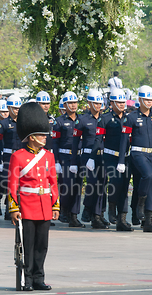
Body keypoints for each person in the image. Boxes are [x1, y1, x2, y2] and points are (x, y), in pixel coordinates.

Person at [8, 102, 59, 291]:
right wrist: (14, 208)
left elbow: (52, 182)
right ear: (30, 137)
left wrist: (55, 205)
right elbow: (13, 184)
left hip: (45, 206)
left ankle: (39, 278)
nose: (44, 138)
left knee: (41, 246)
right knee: (27, 247)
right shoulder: (18, 157)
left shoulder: (48, 157)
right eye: (40, 135)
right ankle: (27, 279)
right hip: (27, 208)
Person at [119, 85, 152, 233]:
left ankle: (148, 221)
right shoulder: (132, 117)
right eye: (146, 99)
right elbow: (124, 140)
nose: (148, 102)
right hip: (138, 153)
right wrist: (121, 160)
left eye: (150, 99)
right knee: (149, 175)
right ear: (140, 100)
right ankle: (140, 203)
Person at [89, 88, 133, 232]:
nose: (121, 104)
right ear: (112, 103)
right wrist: (92, 157)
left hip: (126, 157)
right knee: (116, 182)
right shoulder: (105, 118)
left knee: (125, 186)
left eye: (123, 102)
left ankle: (122, 219)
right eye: (118, 102)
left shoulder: (129, 117)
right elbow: (98, 139)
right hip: (110, 156)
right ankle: (112, 205)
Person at [71, 89, 108, 229]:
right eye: (95, 103)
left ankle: (98, 215)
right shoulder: (83, 120)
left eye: (99, 103)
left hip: (102, 155)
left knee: (102, 186)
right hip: (87, 156)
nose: (98, 106)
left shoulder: (104, 118)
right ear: (89, 103)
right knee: (93, 185)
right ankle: (89, 210)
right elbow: (75, 142)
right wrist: (74, 161)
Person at [52, 91, 83, 227]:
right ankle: (64, 208)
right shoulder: (59, 121)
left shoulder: (82, 120)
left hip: (79, 157)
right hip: (64, 157)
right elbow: (55, 142)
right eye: (70, 103)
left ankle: (74, 216)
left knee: (77, 186)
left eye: (75, 102)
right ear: (64, 105)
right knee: (68, 186)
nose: (73, 105)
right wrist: (56, 161)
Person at [0, 94, 22, 220]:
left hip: (21, 156)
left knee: (20, 185)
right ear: (9, 108)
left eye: (19, 108)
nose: (17, 110)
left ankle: (16, 209)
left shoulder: (23, 123)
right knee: (9, 184)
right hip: (9, 157)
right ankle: (9, 210)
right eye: (14, 108)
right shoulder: (3, 124)